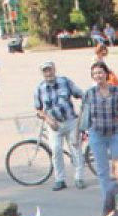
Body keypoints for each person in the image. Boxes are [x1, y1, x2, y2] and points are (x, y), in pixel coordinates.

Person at [81, 61, 118, 200]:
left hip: (115, 135)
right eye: (94, 73)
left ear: (106, 74)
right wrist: (83, 131)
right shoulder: (89, 93)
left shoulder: (116, 91)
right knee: (102, 171)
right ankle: (108, 199)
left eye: (100, 72)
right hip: (97, 135)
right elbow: (85, 113)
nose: (98, 75)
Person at [33, 60, 86, 191]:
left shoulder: (65, 82)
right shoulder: (39, 89)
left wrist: (82, 112)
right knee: (56, 151)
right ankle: (60, 179)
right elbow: (38, 109)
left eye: (49, 70)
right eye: (45, 71)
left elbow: (82, 95)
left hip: (70, 121)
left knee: (75, 148)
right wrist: (48, 119)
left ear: (54, 70)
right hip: (54, 125)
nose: (48, 73)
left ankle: (79, 178)